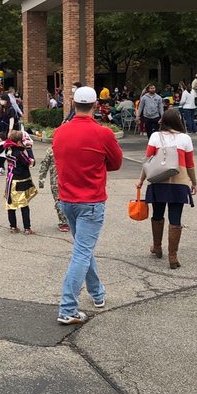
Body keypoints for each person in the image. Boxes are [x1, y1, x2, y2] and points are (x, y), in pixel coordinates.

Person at [52, 87, 123, 325]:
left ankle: (97, 293)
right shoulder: (103, 133)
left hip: (67, 199)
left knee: (83, 248)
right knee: (82, 252)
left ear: (72, 103)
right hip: (91, 200)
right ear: (95, 105)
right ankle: (68, 308)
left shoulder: (60, 132)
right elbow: (115, 163)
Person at [136, 108, 197, 269]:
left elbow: (147, 160)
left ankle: (157, 247)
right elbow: (190, 165)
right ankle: (173, 256)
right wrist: (194, 182)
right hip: (179, 182)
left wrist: (141, 180)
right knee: (175, 218)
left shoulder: (155, 136)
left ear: (163, 121)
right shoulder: (185, 139)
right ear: (178, 120)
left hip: (158, 181)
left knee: (157, 215)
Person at [3, 131, 37, 234]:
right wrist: (29, 150)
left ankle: (13, 227)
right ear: (18, 142)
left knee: (11, 204)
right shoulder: (19, 153)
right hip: (20, 181)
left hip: (10, 180)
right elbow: (31, 163)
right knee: (24, 204)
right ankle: (27, 228)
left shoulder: (8, 150)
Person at [37, 146, 70, 232]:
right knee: (61, 201)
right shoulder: (52, 150)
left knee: (60, 201)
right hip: (60, 180)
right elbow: (45, 165)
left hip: (64, 180)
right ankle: (64, 222)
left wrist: (41, 180)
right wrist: (41, 180)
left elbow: (44, 165)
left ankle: (65, 222)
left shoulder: (52, 149)